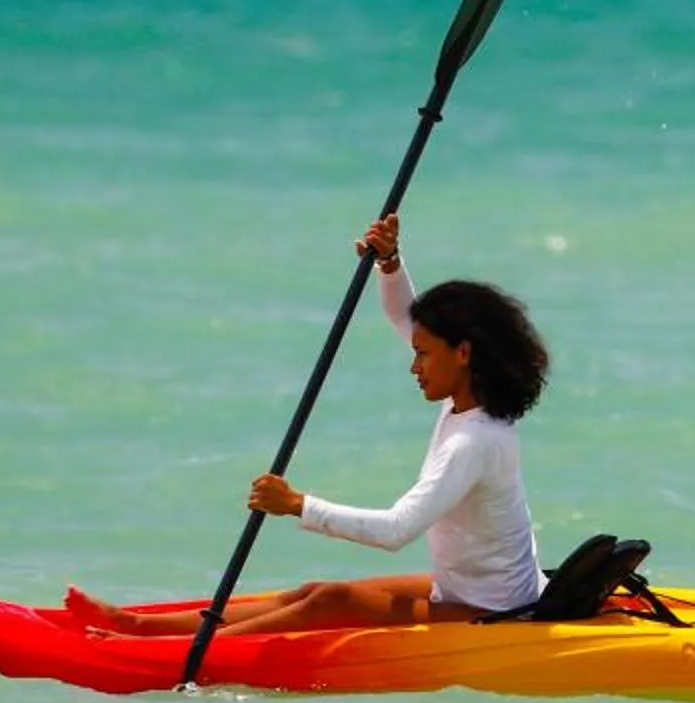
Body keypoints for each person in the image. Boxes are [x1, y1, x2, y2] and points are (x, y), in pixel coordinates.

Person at [67, 214, 550, 636]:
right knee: (314, 591)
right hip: (467, 591)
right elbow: (407, 319)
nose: (414, 364)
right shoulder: (468, 400)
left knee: (328, 604)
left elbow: (396, 530)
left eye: (422, 354)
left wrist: (297, 505)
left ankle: (179, 652)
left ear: (462, 353)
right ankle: (136, 625)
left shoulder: (475, 441)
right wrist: (390, 264)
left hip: (495, 610)